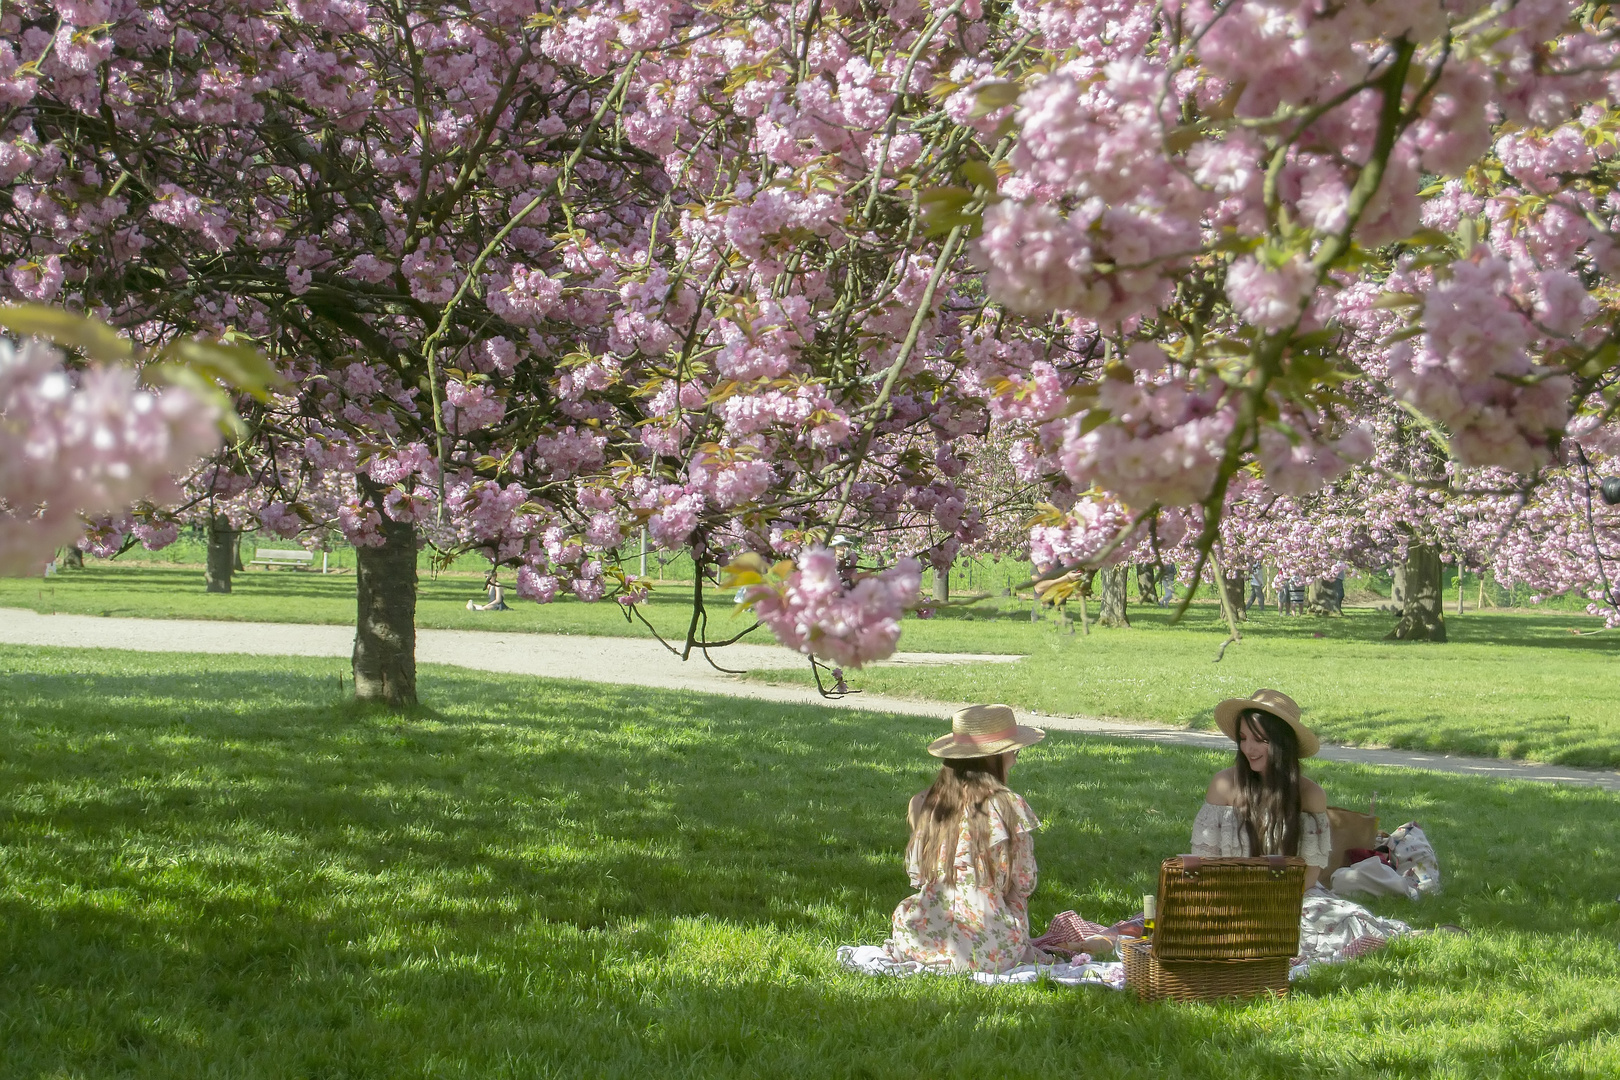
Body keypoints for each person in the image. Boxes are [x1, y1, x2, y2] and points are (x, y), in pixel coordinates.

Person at [886, 704, 1048, 973]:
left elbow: (917, 876)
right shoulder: (1008, 805)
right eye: (1014, 751)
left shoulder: (923, 802)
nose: (1016, 759)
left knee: (910, 910)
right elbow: (1024, 881)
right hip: (991, 949)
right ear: (993, 756)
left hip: (922, 941)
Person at [1192, 689, 1330, 889]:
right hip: (1228, 895)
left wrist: (1274, 906)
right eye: (1243, 738)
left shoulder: (1311, 795)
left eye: (1259, 740)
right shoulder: (1223, 785)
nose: (1248, 749)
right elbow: (1204, 859)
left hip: (1292, 897)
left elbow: (1311, 871)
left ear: (1283, 744)